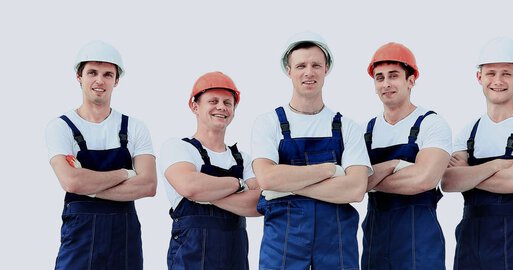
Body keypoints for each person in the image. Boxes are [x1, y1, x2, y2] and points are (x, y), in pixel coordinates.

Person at [251, 31, 371, 270]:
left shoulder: (348, 127)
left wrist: (288, 186)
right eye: (301, 65)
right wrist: (330, 170)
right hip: (282, 244)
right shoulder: (268, 123)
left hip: (336, 243)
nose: (309, 72)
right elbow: (267, 177)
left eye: (316, 65)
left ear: (326, 69)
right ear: (289, 70)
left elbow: (356, 189)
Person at [441, 37, 513, 269]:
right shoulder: (469, 131)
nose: (498, 81)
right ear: (479, 77)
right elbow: (449, 181)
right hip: (471, 244)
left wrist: (469, 175)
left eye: (506, 73)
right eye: (491, 73)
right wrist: (496, 166)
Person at [45, 40, 157, 269]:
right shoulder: (60, 127)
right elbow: (72, 181)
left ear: (116, 80)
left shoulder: (135, 127)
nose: (99, 80)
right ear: (79, 77)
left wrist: (91, 185)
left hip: (125, 239)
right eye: (92, 73)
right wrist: (126, 173)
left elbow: (148, 185)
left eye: (108, 74)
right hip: (80, 237)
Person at [361, 42, 452, 269]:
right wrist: (397, 165)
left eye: (393, 76)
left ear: (411, 81)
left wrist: (370, 179)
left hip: (420, 243)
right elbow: (350, 184)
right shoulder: (365, 131)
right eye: (379, 78)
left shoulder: (431, 124)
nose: (386, 84)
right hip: (375, 240)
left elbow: (425, 179)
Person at [159, 71, 261, 269]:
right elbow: (190, 186)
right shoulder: (178, 148)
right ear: (194, 106)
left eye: (227, 102)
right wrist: (238, 184)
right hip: (190, 259)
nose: (221, 107)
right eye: (213, 101)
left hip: (235, 259)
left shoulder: (243, 159)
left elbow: (258, 204)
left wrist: (206, 195)